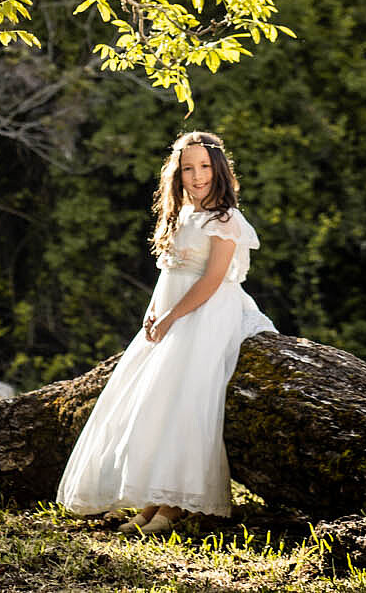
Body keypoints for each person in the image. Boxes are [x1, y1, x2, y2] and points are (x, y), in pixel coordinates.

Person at [55, 130, 277, 536]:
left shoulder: (225, 219)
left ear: (220, 169)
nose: (197, 176)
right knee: (151, 401)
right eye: (188, 168)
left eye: (205, 167)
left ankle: (175, 504)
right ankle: (151, 501)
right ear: (176, 175)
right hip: (172, 311)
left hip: (207, 313)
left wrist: (172, 317)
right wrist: (153, 314)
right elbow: (169, 274)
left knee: (185, 400)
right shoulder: (181, 215)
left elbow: (211, 281)